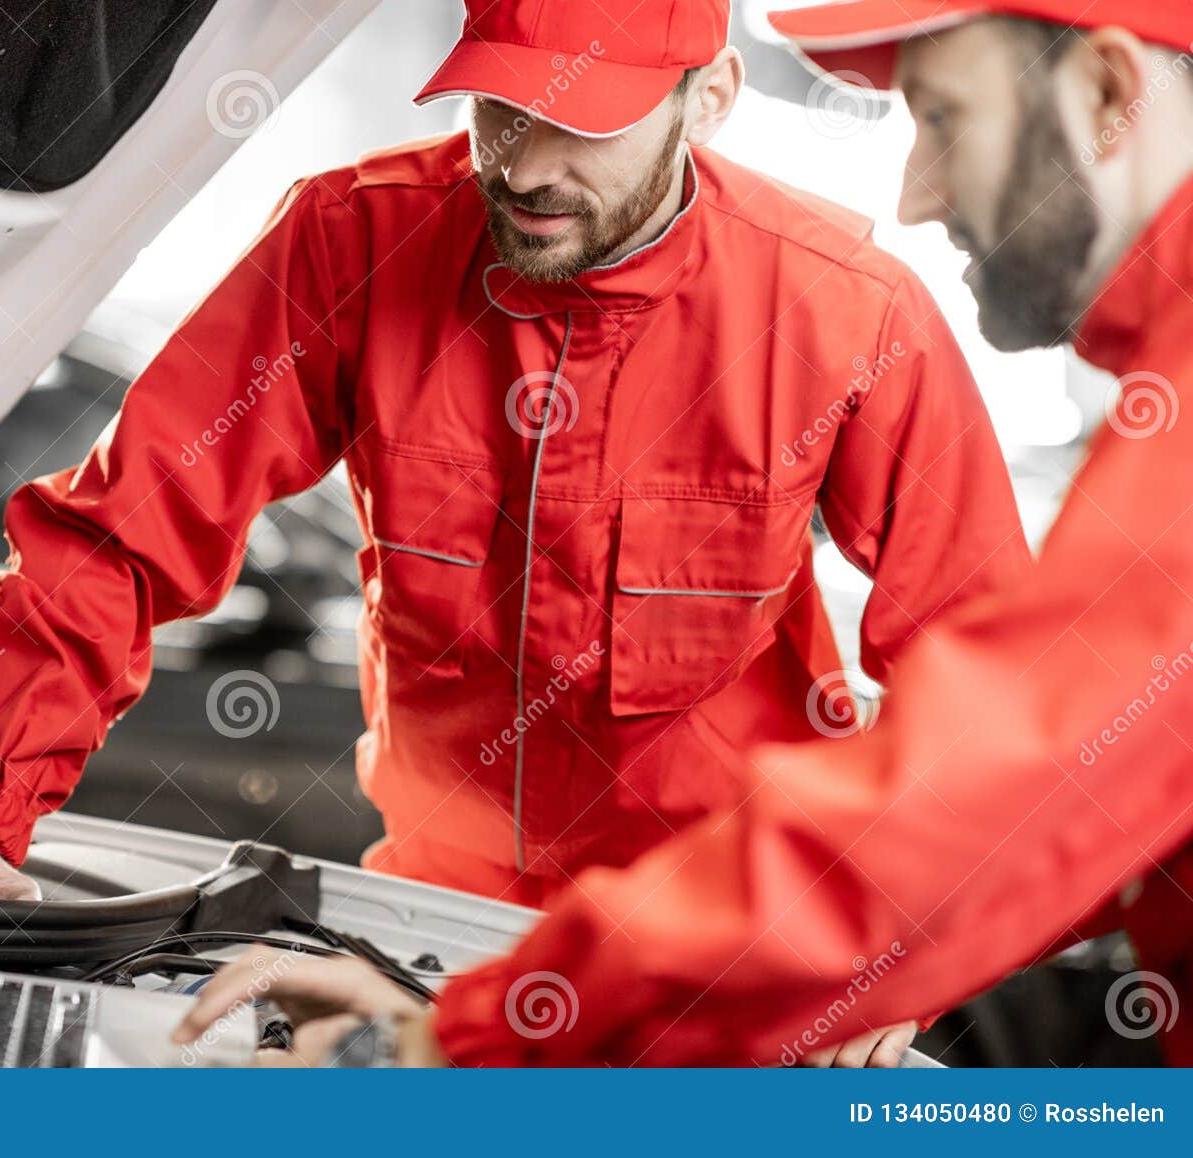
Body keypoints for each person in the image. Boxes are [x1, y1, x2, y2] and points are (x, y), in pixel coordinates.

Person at [0, 0, 1025, 962]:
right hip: (437, 929)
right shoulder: (349, 246)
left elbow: (980, 658)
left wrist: (913, 937)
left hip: (727, 948)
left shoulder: (844, 312)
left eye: (588, 123)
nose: (527, 166)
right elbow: (118, 535)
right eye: (499, 110)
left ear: (705, 103)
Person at [174, 0, 1193, 1069]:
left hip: (690, 998)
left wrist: (462, 1037)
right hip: (479, 931)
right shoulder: (363, 241)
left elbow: (992, 786)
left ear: (1109, 94)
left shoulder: (864, 318)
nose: (915, 194)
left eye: (941, 117)